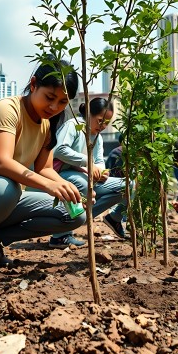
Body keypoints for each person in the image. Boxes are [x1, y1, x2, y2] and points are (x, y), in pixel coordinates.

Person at [0, 59, 86, 274]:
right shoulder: (8, 109)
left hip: (4, 201)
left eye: (62, 102)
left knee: (75, 214)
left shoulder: (47, 123)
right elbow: (3, 163)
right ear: (33, 84)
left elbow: (45, 169)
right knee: (5, 186)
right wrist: (49, 187)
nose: (54, 107)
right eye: (49, 97)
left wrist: (70, 191)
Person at [50, 98, 126, 246]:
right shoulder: (74, 125)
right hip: (60, 175)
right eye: (100, 121)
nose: (103, 126)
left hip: (85, 177)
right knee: (81, 182)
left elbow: (99, 162)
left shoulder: (97, 137)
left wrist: (103, 172)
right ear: (89, 114)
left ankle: (113, 218)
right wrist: (88, 162)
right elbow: (59, 150)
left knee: (128, 185)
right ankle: (60, 235)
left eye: (106, 123)